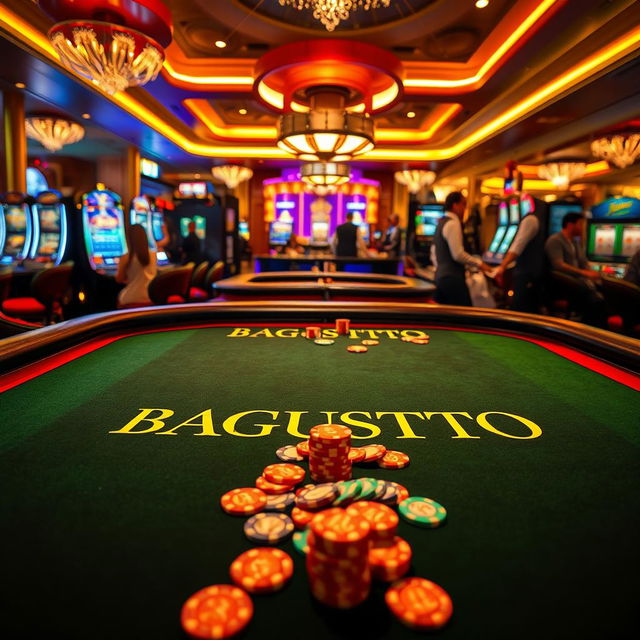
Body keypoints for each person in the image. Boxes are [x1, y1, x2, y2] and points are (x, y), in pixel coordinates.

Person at [544, 212, 606, 327]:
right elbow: (559, 265)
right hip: (562, 284)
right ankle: (587, 330)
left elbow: (583, 262)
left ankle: (595, 329)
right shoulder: (555, 240)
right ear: (570, 225)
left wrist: (592, 273)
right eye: (580, 224)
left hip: (578, 283)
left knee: (604, 295)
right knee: (595, 301)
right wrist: (584, 273)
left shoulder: (575, 242)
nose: (582, 227)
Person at [433, 191, 491, 306]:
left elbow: (433, 253)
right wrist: (479, 264)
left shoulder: (441, 222)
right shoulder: (453, 223)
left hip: (441, 277)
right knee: (465, 316)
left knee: (445, 318)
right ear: (455, 205)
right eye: (463, 204)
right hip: (452, 279)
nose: (465, 209)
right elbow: (458, 254)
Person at [494, 200, 546, 313]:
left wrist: (502, 267)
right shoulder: (531, 219)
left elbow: (517, 247)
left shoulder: (530, 220)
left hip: (528, 274)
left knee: (522, 312)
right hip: (529, 273)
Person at [115, 224, 157, 308]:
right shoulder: (153, 255)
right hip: (150, 297)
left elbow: (119, 279)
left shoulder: (126, 257)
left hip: (131, 298)